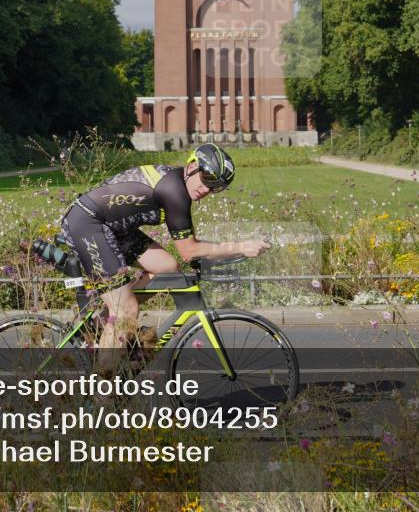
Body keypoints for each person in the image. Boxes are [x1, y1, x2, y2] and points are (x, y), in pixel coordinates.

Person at [56, 143, 269, 369]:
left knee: (167, 267)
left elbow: (184, 254)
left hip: (113, 228)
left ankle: (103, 321)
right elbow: (189, 251)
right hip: (88, 224)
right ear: (191, 167)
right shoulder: (174, 190)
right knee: (125, 311)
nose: (207, 189)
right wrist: (241, 246)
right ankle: (103, 396)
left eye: (215, 187)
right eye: (206, 179)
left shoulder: (178, 184)